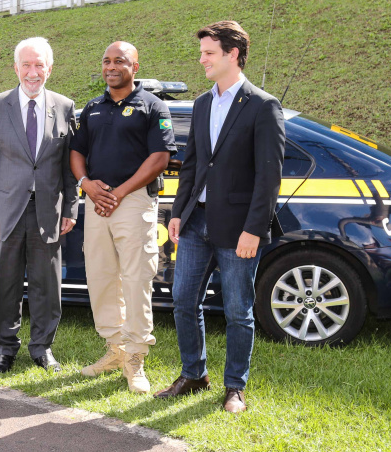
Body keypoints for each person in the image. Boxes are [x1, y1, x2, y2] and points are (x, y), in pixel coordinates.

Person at [155, 21, 285, 413]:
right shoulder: (202, 104)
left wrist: (254, 230)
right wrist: (179, 213)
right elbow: (192, 165)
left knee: (238, 312)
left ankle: (234, 388)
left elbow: (268, 177)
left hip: (238, 228)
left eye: (209, 53)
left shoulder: (263, 106)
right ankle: (194, 374)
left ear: (233, 54)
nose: (202, 60)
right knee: (182, 301)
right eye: (202, 53)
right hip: (196, 223)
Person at [70, 41, 177, 393]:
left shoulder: (152, 106)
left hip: (133, 202)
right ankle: (115, 350)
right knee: (101, 277)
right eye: (106, 61)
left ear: (134, 66)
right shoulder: (93, 107)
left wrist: (118, 192)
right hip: (97, 203)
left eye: (120, 61)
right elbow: (76, 152)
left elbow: (159, 158)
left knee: (135, 280)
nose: (111, 66)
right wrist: (87, 184)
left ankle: (135, 357)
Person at [0, 37, 78, 374]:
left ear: (50, 68)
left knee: (46, 286)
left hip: (48, 211)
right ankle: (5, 349)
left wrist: (70, 209)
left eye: (39, 65)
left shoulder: (64, 106)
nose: (33, 72)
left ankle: (42, 348)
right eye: (27, 65)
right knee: (5, 284)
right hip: (8, 211)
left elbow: (68, 167)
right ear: (16, 68)